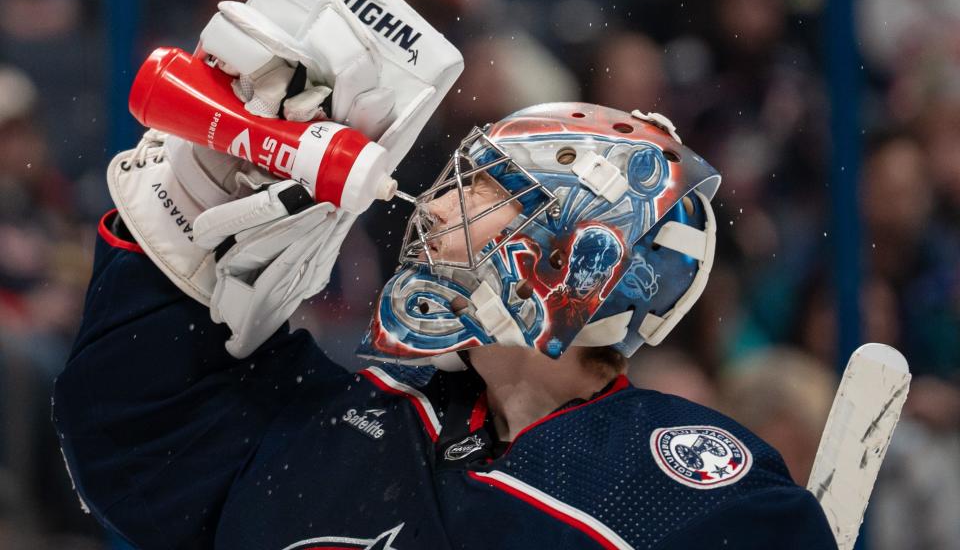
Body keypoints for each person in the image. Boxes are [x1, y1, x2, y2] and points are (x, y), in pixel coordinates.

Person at [53, 96, 837, 548]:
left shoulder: (681, 485)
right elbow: (133, 445)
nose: (432, 208)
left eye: (485, 194)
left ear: (583, 260)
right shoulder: (355, 413)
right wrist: (175, 240)